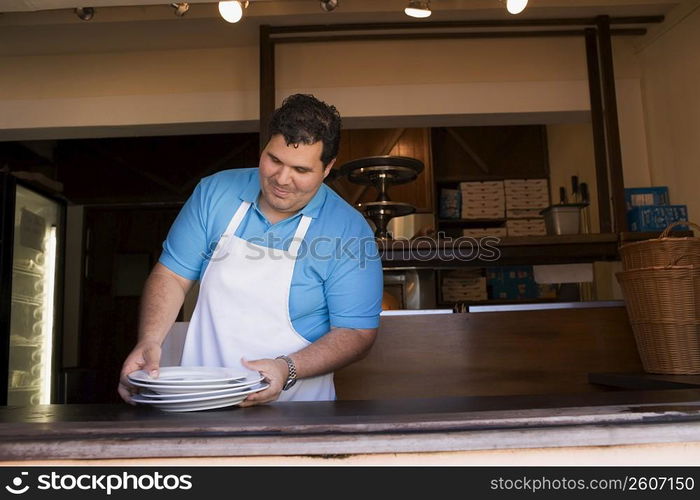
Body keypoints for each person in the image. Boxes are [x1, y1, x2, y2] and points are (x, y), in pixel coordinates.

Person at [118, 94, 383, 405]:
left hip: (299, 411)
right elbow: (172, 276)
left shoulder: (349, 231)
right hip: (203, 401)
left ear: (327, 169)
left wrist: (287, 369)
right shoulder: (215, 193)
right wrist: (149, 340)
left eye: (300, 170)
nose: (282, 179)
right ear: (264, 147)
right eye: (274, 160)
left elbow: (356, 333)